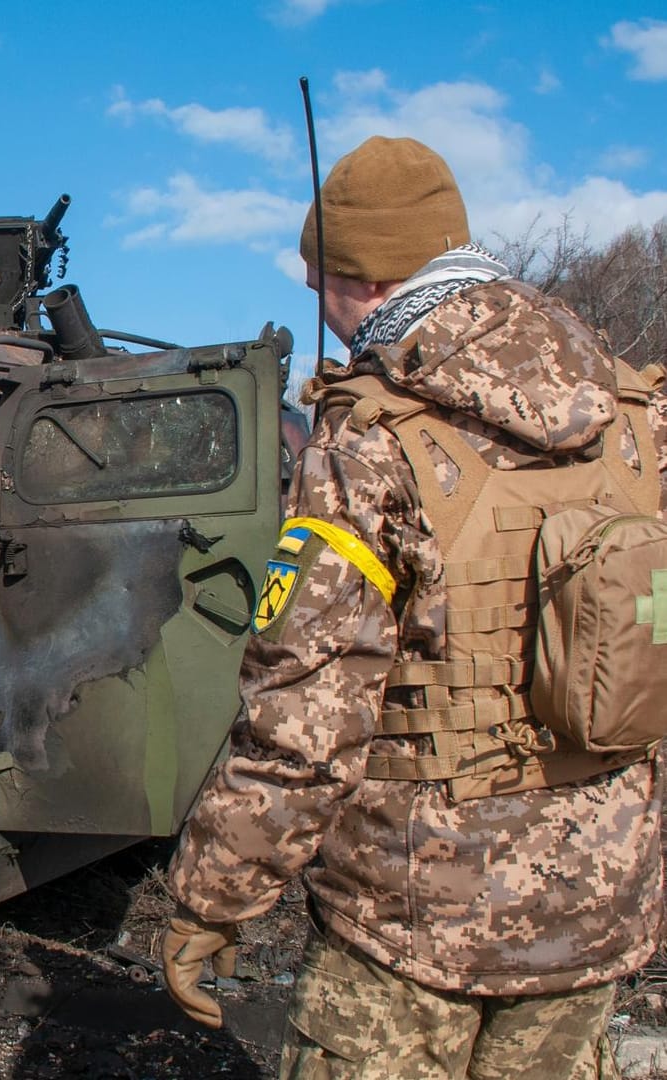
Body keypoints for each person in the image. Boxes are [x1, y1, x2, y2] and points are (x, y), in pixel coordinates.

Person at [160, 134, 665, 1078]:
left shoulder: (370, 439)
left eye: (324, 282)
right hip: (600, 902)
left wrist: (214, 894)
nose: (322, 305)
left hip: (412, 921)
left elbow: (306, 717)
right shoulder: (635, 417)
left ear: (374, 281)